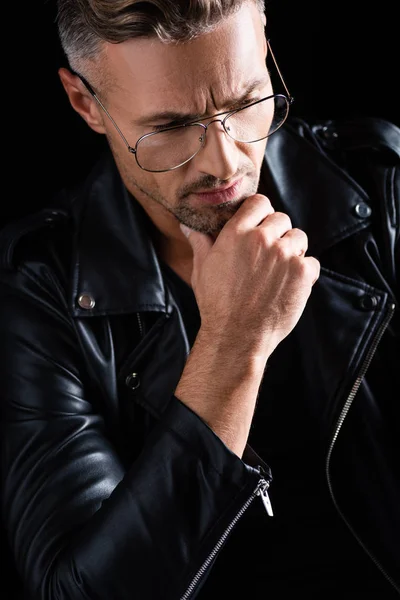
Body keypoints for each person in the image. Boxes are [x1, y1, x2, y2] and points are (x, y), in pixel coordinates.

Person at [1, 0, 399, 598]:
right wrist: (233, 344)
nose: (227, 160)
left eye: (244, 102)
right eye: (170, 128)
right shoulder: (40, 290)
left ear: (264, 40)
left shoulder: (385, 190)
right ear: (87, 104)